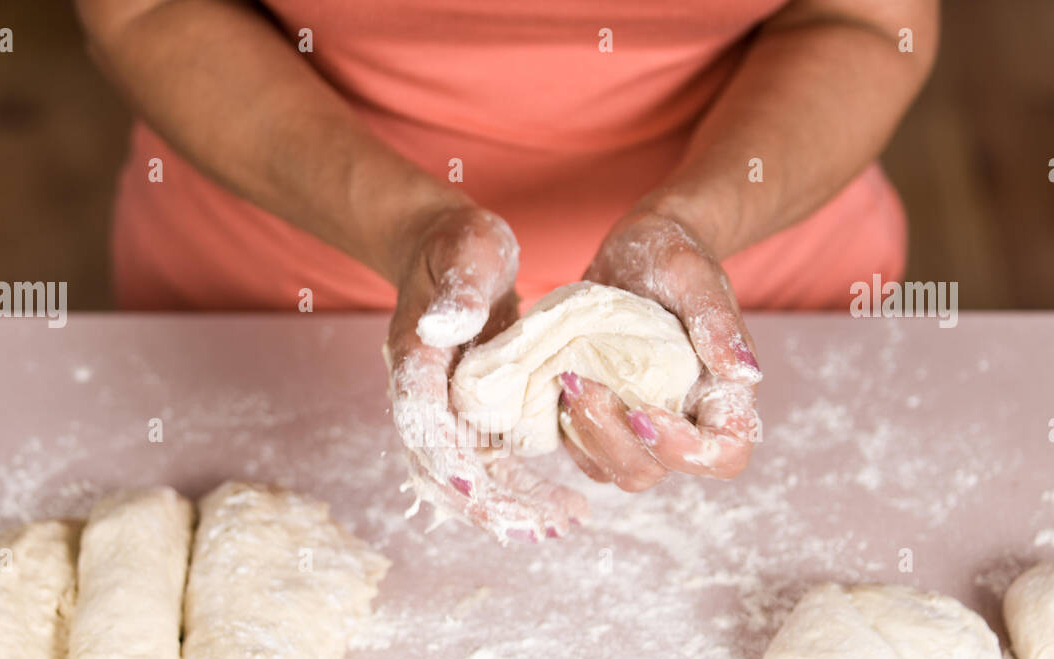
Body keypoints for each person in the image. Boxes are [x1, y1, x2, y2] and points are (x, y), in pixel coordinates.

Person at [76, 0, 938, 539]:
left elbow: (864, 20)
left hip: (756, 285)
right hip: (279, 292)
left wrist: (697, 220)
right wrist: (406, 223)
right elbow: (149, 9)